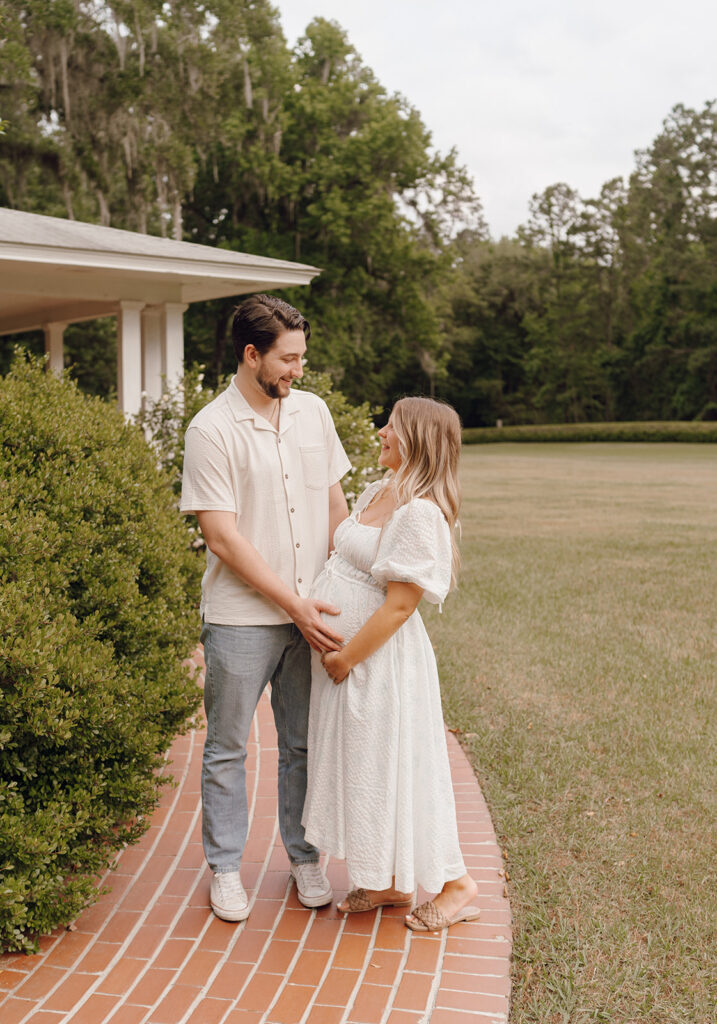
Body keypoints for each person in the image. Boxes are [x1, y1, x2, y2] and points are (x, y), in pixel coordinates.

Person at [180, 293, 351, 922]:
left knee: (303, 744)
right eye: (288, 359)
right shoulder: (210, 429)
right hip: (240, 620)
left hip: (314, 612)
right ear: (252, 355)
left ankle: (304, 857)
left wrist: (345, 595)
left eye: (302, 358)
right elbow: (222, 537)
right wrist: (293, 605)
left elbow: (336, 509)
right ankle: (225, 868)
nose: (298, 371)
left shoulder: (313, 413)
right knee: (228, 747)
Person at [301, 396, 480, 931]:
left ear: (416, 441)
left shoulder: (420, 513)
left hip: (377, 667)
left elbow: (402, 605)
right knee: (369, 770)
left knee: (402, 768)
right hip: (352, 666)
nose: (381, 431)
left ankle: (455, 885)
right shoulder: (381, 490)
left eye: (392, 427)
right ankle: (388, 881)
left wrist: (345, 659)